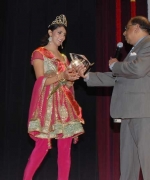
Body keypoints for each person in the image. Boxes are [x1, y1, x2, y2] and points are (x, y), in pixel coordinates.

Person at [77, 16, 150, 180]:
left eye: (126, 28)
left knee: (148, 162)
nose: (124, 33)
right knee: (127, 166)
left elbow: (138, 69)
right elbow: (119, 77)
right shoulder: (134, 50)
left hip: (144, 113)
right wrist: (87, 76)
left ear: (136, 27)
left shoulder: (148, 44)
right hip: (128, 112)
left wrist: (115, 65)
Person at [23, 14, 84, 180]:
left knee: (65, 150)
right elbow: (40, 80)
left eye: (64, 34)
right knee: (42, 147)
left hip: (64, 106)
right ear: (50, 32)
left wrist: (71, 80)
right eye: (59, 32)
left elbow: (67, 86)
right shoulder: (39, 53)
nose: (62, 36)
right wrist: (62, 75)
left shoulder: (64, 57)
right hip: (47, 105)